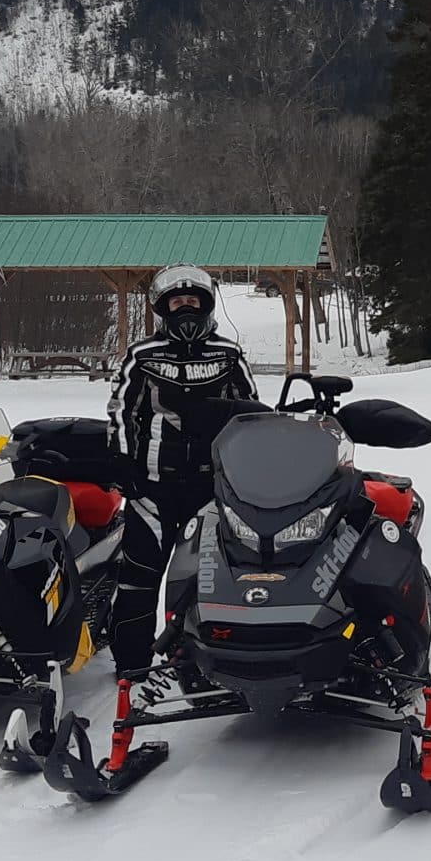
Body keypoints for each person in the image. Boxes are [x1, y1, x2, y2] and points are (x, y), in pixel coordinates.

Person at [107, 265, 256, 676]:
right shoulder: (142, 355)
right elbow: (122, 412)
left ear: (206, 305)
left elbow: (254, 415)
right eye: (177, 302)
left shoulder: (229, 355)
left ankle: (201, 655)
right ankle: (131, 663)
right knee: (139, 579)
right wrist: (122, 461)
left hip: (213, 488)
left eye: (193, 301)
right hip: (152, 487)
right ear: (163, 308)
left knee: (211, 577)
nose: (185, 308)